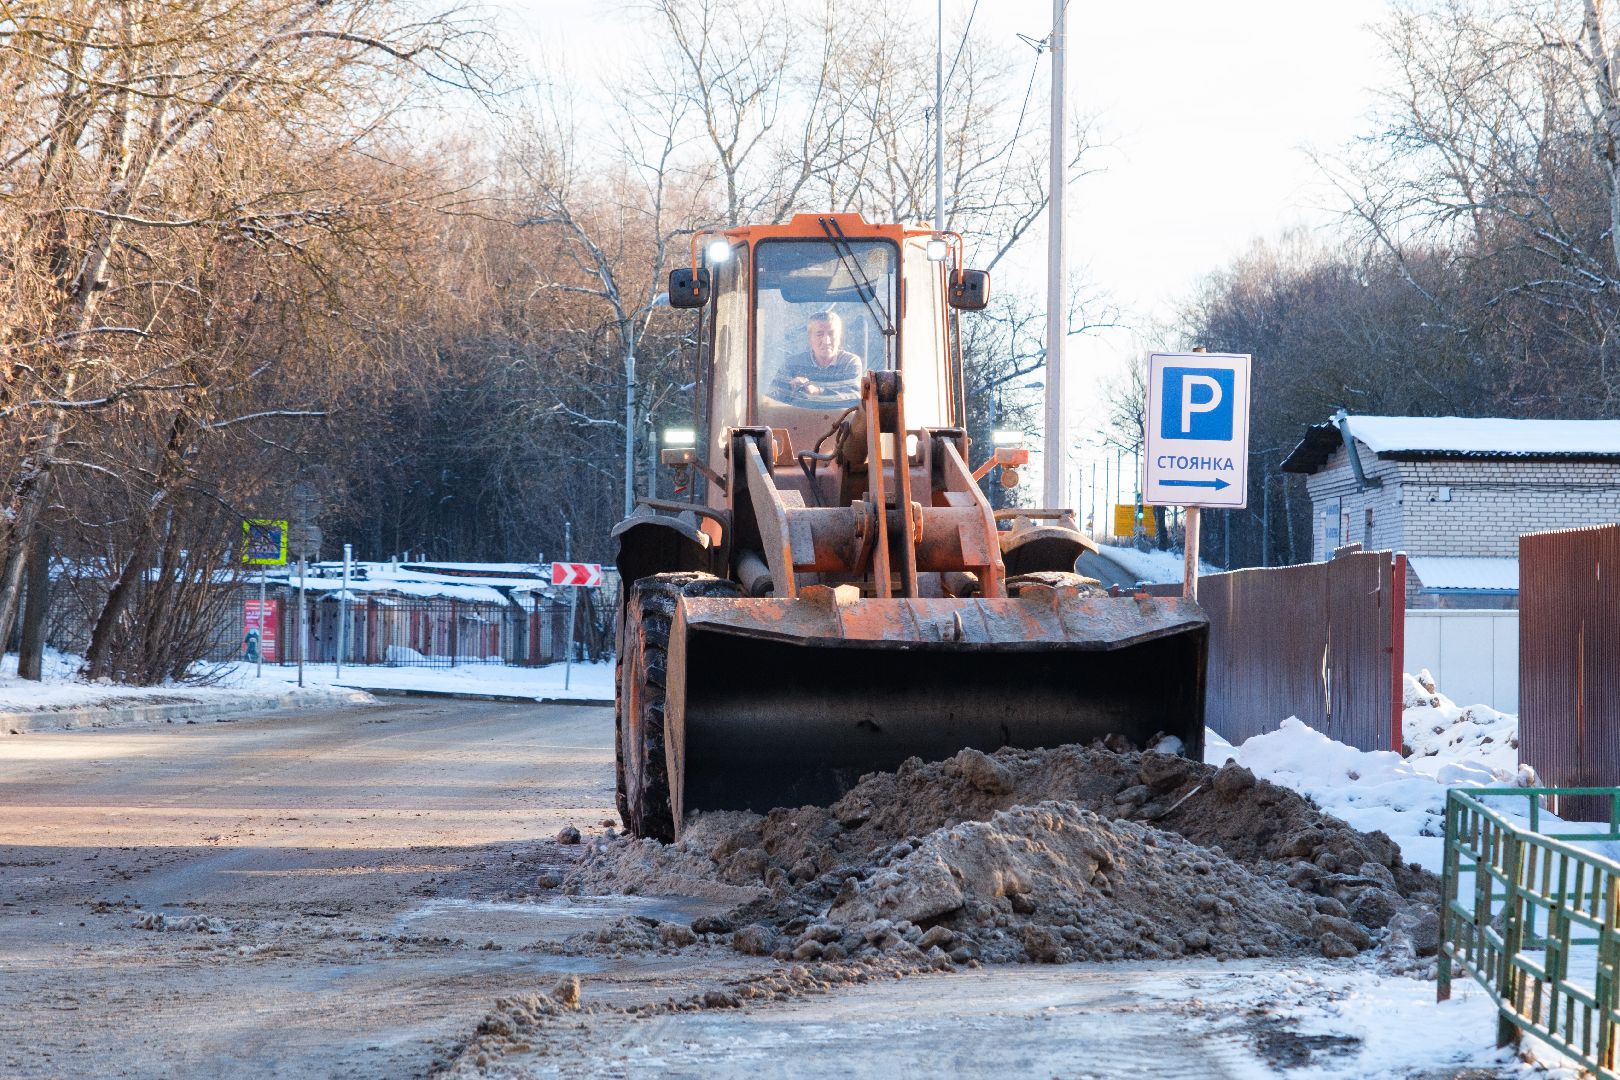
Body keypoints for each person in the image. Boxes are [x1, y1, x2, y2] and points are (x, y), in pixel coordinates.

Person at [771, 311, 863, 403]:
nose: (826, 341)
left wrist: (818, 391)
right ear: (809, 338)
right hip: (798, 416)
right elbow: (772, 399)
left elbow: (855, 397)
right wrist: (791, 388)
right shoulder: (792, 364)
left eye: (831, 334)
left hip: (844, 417)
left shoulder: (850, 363)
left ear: (839, 338)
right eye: (820, 334)